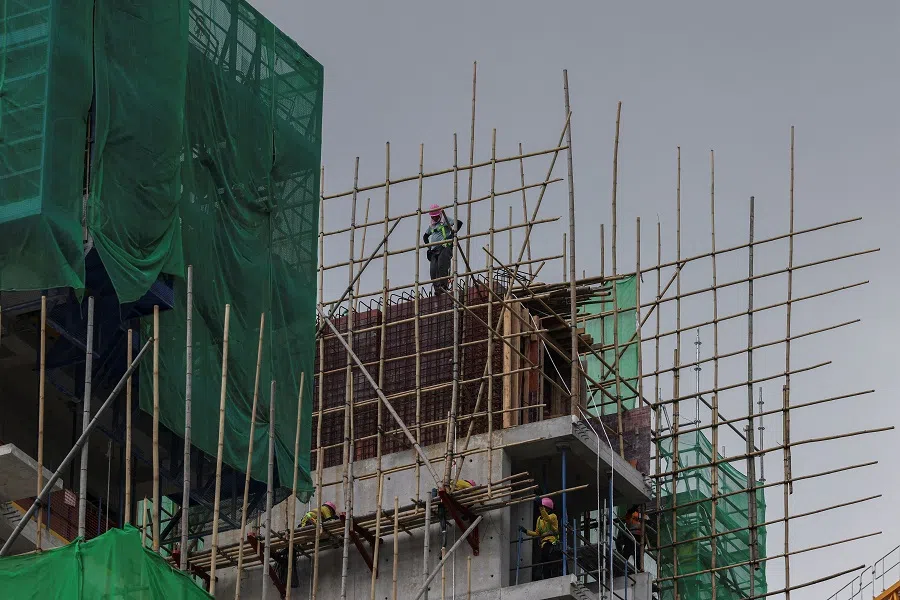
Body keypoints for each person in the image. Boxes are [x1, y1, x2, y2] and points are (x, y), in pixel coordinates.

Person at [423, 204, 463, 294]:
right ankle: (437, 289)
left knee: (442, 265)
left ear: (439, 214)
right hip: (434, 250)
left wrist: (452, 235)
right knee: (433, 270)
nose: (435, 218)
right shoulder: (432, 226)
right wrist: (429, 247)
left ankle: (443, 286)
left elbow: (459, 223)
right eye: (433, 217)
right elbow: (425, 236)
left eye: (436, 216)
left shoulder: (445, 220)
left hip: (444, 247)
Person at [520, 497, 560, 581]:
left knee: (548, 559)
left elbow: (547, 519)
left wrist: (540, 506)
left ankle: (551, 577)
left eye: (543, 507)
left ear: (547, 508)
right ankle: (546, 578)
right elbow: (537, 533)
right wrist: (526, 531)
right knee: (544, 561)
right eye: (541, 507)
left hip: (551, 542)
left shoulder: (553, 516)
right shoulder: (539, 519)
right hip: (543, 543)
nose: (541, 509)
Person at [617, 504, 644, 570]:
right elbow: (628, 515)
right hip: (631, 534)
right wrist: (633, 509)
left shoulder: (645, 516)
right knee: (628, 551)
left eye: (641, 507)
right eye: (639, 507)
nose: (640, 508)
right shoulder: (632, 513)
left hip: (639, 537)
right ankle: (621, 566)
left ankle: (639, 568)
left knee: (637, 554)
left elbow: (647, 528)